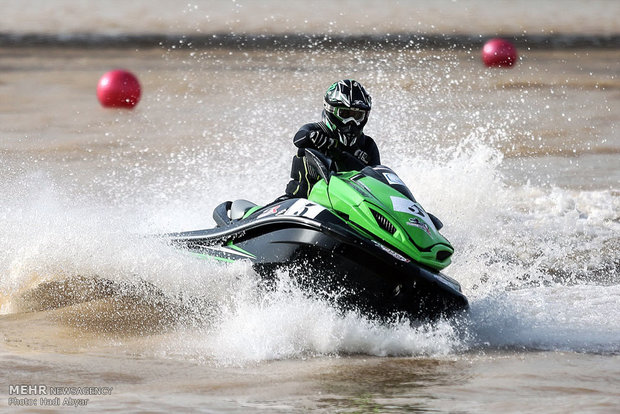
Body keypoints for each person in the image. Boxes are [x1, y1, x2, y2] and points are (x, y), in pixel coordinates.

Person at [284, 79, 381, 199]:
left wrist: (339, 153)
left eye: (357, 116)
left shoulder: (368, 144)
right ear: (330, 109)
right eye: (345, 114)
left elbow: (377, 182)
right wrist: (313, 137)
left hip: (346, 207)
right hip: (299, 201)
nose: (351, 122)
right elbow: (298, 138)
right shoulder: (315, 129)